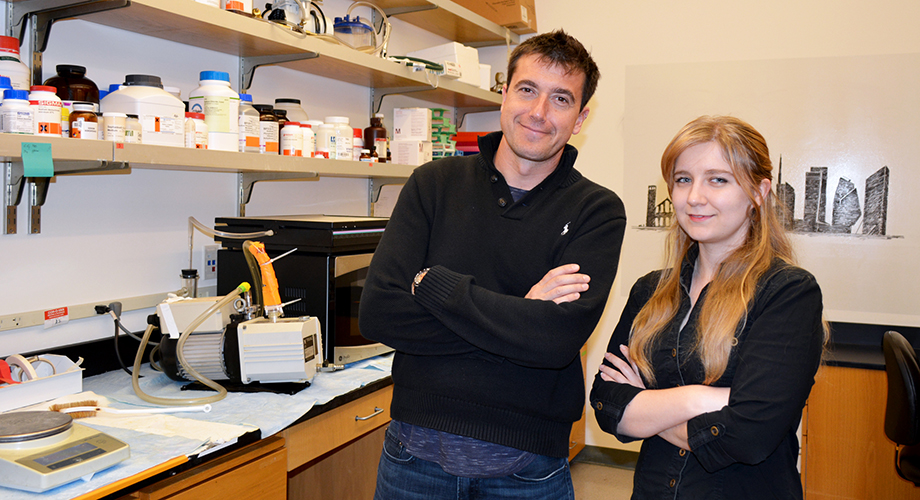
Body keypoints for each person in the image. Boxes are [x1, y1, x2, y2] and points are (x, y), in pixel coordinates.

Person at [359, 30, 626, 499]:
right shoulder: (433, 185)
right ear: (503, 93)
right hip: (413, 459)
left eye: (560, 99)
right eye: (527, 89)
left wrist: (440, 290)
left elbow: (553, 342)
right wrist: (521, 312)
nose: (539, 113)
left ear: (581, 118)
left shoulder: (597, 210)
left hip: (528, 472)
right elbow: (380, 313)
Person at [590, 115, 828, 499]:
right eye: (683, 179)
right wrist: (702, 398)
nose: (695, 197)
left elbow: (749, 436)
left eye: (718, 179)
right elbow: (607, 405)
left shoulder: (788, 293)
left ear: (758, 191)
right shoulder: (649, 291)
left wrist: (646, 411)